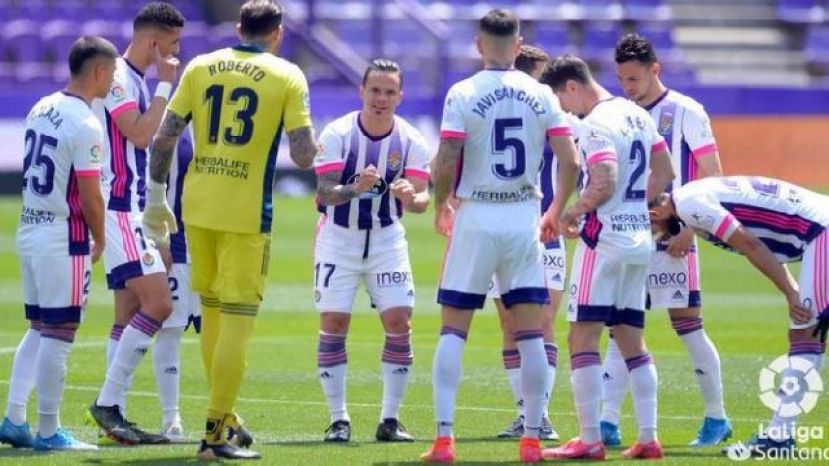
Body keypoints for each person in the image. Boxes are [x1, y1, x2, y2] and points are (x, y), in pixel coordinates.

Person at [143, 0, 318, 459]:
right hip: (245, 214)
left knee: (213, 313)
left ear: (239, 28)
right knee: (238, 318)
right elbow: (303, 155)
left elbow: (165, 136)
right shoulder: (287, 76)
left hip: (196, 207)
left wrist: (156, 197)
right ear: (277, 34)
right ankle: (215, 432)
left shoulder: (201, 66)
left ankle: (226, 413)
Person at [421, 9, 580, 463]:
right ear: (517, 44)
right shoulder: (540, 93)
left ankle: (445, 440)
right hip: (522, 215)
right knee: (532, 332)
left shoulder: (463, 92)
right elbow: (570, 161)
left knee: (454, 328)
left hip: (476, 212)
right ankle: (531, 438)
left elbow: (448, 153)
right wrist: (555, 209)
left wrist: (441, 204)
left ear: (478, 44)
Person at [538, 55, 675, 460]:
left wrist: (572, 212)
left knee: (582, 335)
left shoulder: (596, 123)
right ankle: (648, 437)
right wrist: (635, 207)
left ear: (572, 87)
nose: (565, 111)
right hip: (638, 241)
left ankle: (589, 438)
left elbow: (605, 179)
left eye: (562, 101)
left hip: (605, 242)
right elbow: (664, 171)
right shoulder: (636, 114)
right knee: (632, 337)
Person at [600, 32, 731, 448]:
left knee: (687, 325)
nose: (627, 88)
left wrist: (693, 227)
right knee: (621, 326)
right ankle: (606, 421)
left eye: (634, 79)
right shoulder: (617, 112)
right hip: (628, 235)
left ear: (655, 70)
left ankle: (716, 418)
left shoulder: (686, 111)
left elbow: (714, 175)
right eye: (622, 79)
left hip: (674, 238)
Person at [648, 176, 829, 457]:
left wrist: (790, 291)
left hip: (821, 230)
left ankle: (780, 436)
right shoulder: (690, 199)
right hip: (818, 229)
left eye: (651, 227)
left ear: (655, 212)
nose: (656, 235)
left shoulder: (690, 204)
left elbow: (750, 244)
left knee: (805, 332)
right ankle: (780, 433)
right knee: (806, 332)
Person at [0, 36, 116, 451]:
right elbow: (90, 193)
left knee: (39, 328)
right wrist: (100, 238)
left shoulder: (42, 106)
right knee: (61, 331)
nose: (113, 79)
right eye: (112, 71)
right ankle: (48, 431)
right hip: (62, 237)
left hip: (30, 229)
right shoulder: (85, 123)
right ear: (99, 71)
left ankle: (14, 418)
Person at [313, 59, 430, 444]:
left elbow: (422, 200)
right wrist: (355, 189)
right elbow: (325, 192)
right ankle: (338, 419)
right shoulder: (338, 133)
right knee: (334, 325)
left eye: (389, 92)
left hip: (386, 239)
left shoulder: (411, 140)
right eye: (375, 90)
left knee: (399, 322)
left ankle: (390, 420)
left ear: (400, 96)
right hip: (339, 237)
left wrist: (413, 196)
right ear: (362, 91)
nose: (381, 98)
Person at [86, 1, 184, 446]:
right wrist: (166, 85)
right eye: (174, 44)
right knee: (160, 304)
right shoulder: (123, 79)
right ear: (155, 42)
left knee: (127, 312)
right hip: (119, 205)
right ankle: (109, 402)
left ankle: (115, 417)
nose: (176, 53)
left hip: (129, 206)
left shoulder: (134, 79)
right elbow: (141, 135)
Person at [488, 44, 561, 441]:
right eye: (540, 76)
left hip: (545, 228)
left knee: (543, 320)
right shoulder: (495, 110)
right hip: (501, 228)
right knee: (508, 324)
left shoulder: (556, 116)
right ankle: (524, 412)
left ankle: (541, 413)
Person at [152, 126, 199, 442]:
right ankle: (171, 418)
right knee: (170, 328)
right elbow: (153, 182)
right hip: (179, 241)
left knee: (221, 329)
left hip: (218, 242)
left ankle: (224, 412)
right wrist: (159, 235)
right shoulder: (174, 126)